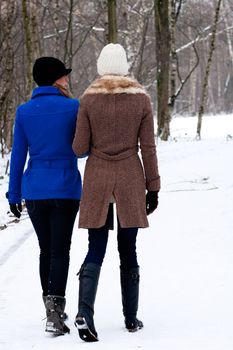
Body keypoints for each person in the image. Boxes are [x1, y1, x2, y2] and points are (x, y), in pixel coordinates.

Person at [72, 43, 160, 342]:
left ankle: (85, 312)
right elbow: (148, 147)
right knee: (128, 248)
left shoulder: (87, 100)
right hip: (130, 177)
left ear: (100, 66)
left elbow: (80, 148)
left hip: (97, 176)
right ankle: (131, 318)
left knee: (95, 246)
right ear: (125, 66)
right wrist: (154, 186)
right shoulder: (141, 100)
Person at [6, 57, 82, 336]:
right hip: (64, 187)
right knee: (61, 250)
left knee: (45, 249)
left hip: (35, 189)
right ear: (55, 79)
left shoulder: (24, 112)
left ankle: (50, 309)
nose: (67, 79)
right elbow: (81, 149)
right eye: (64, 76)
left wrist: (13, 194)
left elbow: (18, 156)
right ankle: (56, 311)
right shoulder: (73, 107)